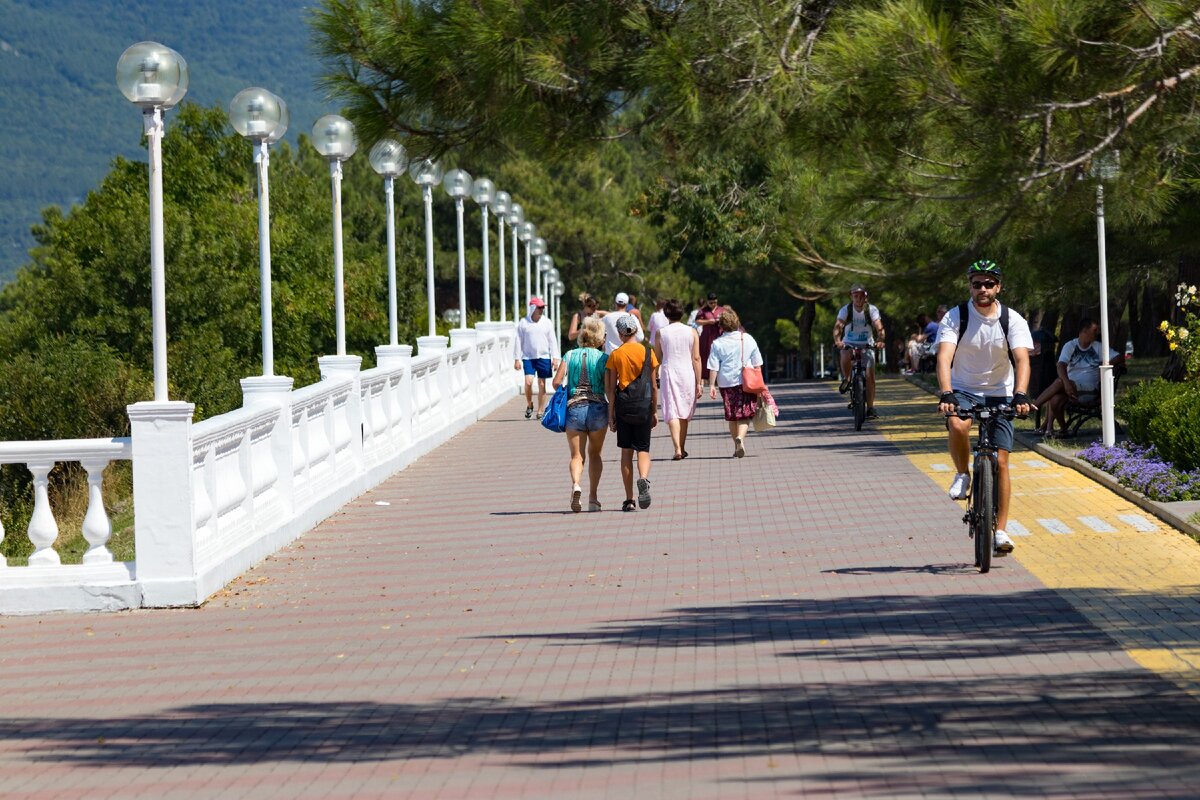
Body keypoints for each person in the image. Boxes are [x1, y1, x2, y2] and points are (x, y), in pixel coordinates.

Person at [935, 259, 1033, 558]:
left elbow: (1022, 360)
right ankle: (963, 474)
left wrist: (1020, 395)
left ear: (998, 287)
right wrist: (947, 392)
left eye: (989, 284)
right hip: (964, 389)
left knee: (1002, 462)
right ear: (970, 286)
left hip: (1001, 392)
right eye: (977, 284)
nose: (982, 289)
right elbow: (944, 358)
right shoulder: (956, 316)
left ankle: (1001, 530)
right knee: (958, 424)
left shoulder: (1012, 319)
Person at [552, 317, 609, 512]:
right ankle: (593, 498)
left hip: (574, 408)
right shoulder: (603, 358)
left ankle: (576, 484)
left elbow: (556, 382)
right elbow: (609, 387)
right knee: (595, 454)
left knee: (577, 455)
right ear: (599, 338)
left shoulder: (569, 355)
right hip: (598, 408)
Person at [1033, 318, 1124, 437]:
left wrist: (1106, 363)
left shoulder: (1098, 347)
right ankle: (1063, 428)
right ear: (1085, 331)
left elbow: (1120, 357)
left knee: (1060, 382)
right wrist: (1067, 384)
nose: (1097, 333)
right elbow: (1061, 365)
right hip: (1070, 388)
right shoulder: (1070, 345)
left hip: (1089, 390)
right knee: (1055, 399)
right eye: (1094, 330)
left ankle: (1034, 407)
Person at [707, 308, 777, 459]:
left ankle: (736, 444)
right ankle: (741, 438)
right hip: (746, 382)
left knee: (732, 415)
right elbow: (758, 364)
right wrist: (761, 385)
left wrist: (712, 385)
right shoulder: (748, 339)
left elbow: (714, 366)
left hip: (725, 383)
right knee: (745, 414)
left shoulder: (717, 344)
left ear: (721, 326)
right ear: (737, 322)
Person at [605, 315, 659, 511]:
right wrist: (654, 411)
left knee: (626, 452)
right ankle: (643, 478)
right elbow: (653, 386)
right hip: (644, 406)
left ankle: (629, 500)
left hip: (624, 407)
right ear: (636, 330)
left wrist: (611, 416)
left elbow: (611, 389)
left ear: (620, 334)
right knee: (643, 449)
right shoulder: (648, 352)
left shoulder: (616, 355)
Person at [653, 299, 702, 460]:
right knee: (684, 410)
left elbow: (657, 358)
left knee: (672, 409)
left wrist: (652, 376)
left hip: (669, 372)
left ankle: (677, 448)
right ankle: (682, 446)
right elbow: (696, 358)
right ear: (682, 313)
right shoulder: (692, 331)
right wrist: (699, 381)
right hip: (687, 372)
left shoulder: (661, 332)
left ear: (666, 314)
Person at [832, 284, 886, 419]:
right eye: (855, 296)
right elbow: (838, 326)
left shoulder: (871, 310)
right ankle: (847, 379)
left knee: (870, 377)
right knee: (844, 354)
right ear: (851, 297)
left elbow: (879, 327)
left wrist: (880, 339)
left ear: (865, 297)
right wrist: (838, 341)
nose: (858, 299)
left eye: (861, 296)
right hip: (849, 342)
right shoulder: (846, 310)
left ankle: (871, 408)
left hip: (867, 343)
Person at [513, 297, 561, 419]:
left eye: (543, 307)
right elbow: (518, 341)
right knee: (528, 382)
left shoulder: (547, 322)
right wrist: (517, 358)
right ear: (533, 308)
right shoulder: (523, 323)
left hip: (544, 356)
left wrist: (555, 358)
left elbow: (552, 341)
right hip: (528, 357)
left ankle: (540, 411)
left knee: (541, 384)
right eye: (539, 307)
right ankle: (530, 404)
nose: (542, 309)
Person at [695, 292, 724, 392]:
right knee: (706, 358)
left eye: (715, 302)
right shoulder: (703, 311)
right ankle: (707, 380)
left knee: (720, 358)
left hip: (719, 336)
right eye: (711, 303)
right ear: (707, 302)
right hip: (706, 338)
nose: (713, 304)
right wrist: (709, 321)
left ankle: (720, 379)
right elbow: (697, 321)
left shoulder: (721, 310)